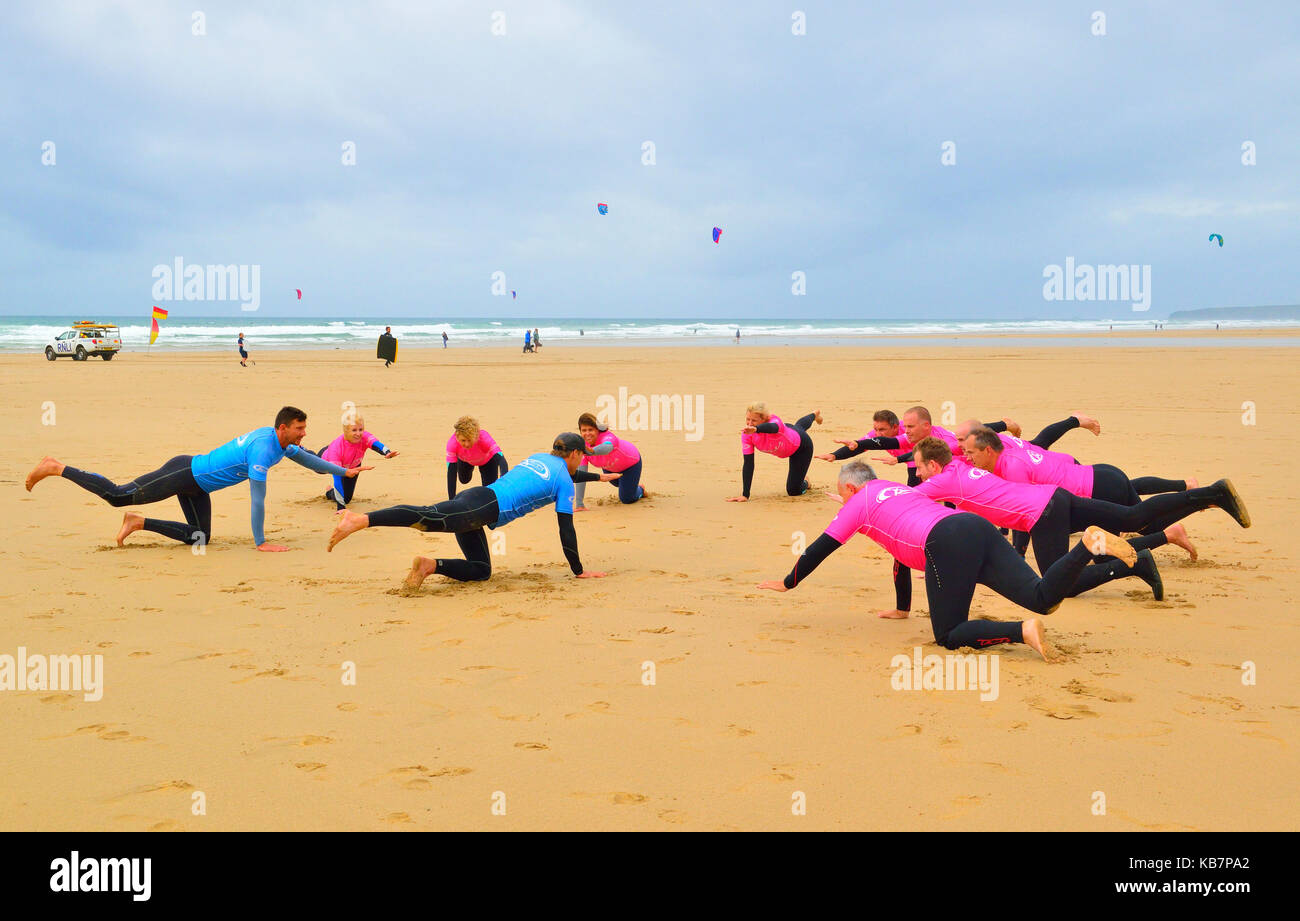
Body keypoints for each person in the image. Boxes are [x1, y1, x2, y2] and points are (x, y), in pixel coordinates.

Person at [756, 462, 1135, 660]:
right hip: (971, 526)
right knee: (1042, 597)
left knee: (949, 635)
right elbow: (896, 551)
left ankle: (1022, 632)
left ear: (851, 489)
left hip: (946, 544)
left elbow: (820, 547)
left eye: (844, 494)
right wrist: (903, 608)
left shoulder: (858, 504)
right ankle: (1088, 546)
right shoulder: (897, 489)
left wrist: (788, 582)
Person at [910, 437, 1224, 601]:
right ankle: (1212, 493)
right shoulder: (960, 465)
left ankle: (1137, 565)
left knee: (1060, 585)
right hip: (1055, 496)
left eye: (919, 467)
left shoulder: (942, 481)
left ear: (935, 466)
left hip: (1042, 514)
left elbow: (908, 498)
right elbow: (956, 447)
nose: (918, 473)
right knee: (1132, 516)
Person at [25, 406, 367, 551]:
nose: (304, 434)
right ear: (283, 428)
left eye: (304, 429)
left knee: (200, 539)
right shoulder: (264, 450)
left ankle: (138, 522)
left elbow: (311, 461)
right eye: (299, 429)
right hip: (184, 472)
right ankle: (57, 466)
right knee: (117, 494)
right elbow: (258, 498)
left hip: (198, 486)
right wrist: (261, 542)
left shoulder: (281, 444)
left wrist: (344, 471)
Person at [327, 434, 620, 587]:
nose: (582, 463)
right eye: (583, 458)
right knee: (427, 516)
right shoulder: (564, 482)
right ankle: (360, 520)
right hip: (483, 507)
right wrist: (579, 571)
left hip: (480, 499)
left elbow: (559, 478)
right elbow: (565, 528)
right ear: (576, 454)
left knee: (481, 571)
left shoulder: (542, 457)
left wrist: (597, 477)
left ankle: (430, 566)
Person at [962, 427, 1211, 510]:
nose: (963, 450)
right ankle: (1191, 493)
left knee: (1139, 518)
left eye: (966, 446)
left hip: (1081, 476)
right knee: (1136, 508)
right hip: (1084, 472)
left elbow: (1025, 503)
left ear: (987, 448)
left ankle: (1197, 496)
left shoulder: (1010, 461)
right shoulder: (1003, 446)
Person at [727, 403, 821, 501]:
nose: (749, 424)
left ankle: (806, 481)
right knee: (799, 427)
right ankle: (814, 415)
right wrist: (745, 495)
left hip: (801, 447)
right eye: (748, 419)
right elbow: (748, 463)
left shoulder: (775, 422)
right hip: (788, 433)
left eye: (754, 420)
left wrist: (757, 429)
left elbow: (773, 428)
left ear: (765, 419)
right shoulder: (747, 435)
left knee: (793, 491)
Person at [318, 414, 399, 510]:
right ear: (346, 431)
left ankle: (329, 492)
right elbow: (337, 478)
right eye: (354, 430)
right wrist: (340, 507)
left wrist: (387, 452)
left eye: (360, 429)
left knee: (347, 499)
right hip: (325, 461)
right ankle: (303, 450)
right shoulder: (335, 450)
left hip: (353, 466)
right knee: (316, 468)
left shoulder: (363, 436)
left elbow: (376, 444)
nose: (358, 433)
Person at [575, 412, 647, 505]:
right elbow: (582, 474)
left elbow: (607, 448)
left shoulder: (608, 437)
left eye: (591, 429)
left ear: (597, 430)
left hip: (631, 464)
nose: (587, 433)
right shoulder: (582, 447)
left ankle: (640, 489)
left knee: (627, 499)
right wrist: (579, 502)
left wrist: (591, 451)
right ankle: (630, 486)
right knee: (618, 484)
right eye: (584, 430)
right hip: (610, 468)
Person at [446, 416, 509, 499]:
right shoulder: (452, 444)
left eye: (469, 440)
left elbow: (501, 460)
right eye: (463, 440)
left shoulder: (484, 438)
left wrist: (503, 481)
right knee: (464, 480)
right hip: (465, 461)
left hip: (487, 462)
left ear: (476, 436)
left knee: (488, 493)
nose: (467, 444)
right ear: (457, 437)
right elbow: (451, 473)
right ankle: (469, 467)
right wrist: (451, 501)